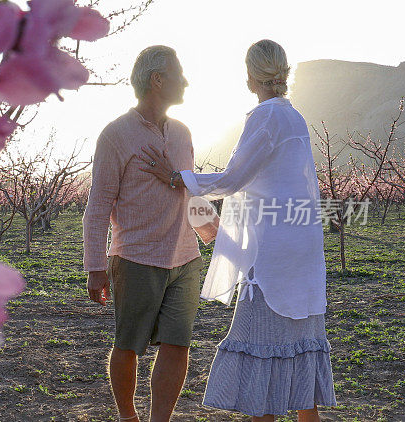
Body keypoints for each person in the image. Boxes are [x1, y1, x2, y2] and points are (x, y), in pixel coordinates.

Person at [139, 39, 337, 421]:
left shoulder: (265, 117)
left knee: (261, 339)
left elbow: (233, 179)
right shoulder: (294, 117)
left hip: (273, 252)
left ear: (251, 78)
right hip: (303, 246)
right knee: (301, 342)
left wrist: (178, 178)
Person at [83, 45, 218, 422]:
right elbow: (97, 207)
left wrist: (217, 235)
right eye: (179, 74)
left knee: (178, 344)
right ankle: (128, 417)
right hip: (136, 258)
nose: (186, 82)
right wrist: (95, 266)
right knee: (128, 346)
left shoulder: (183, 133)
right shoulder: (115, 135)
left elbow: (190, 192)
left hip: (185, 257)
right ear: (158, 80)